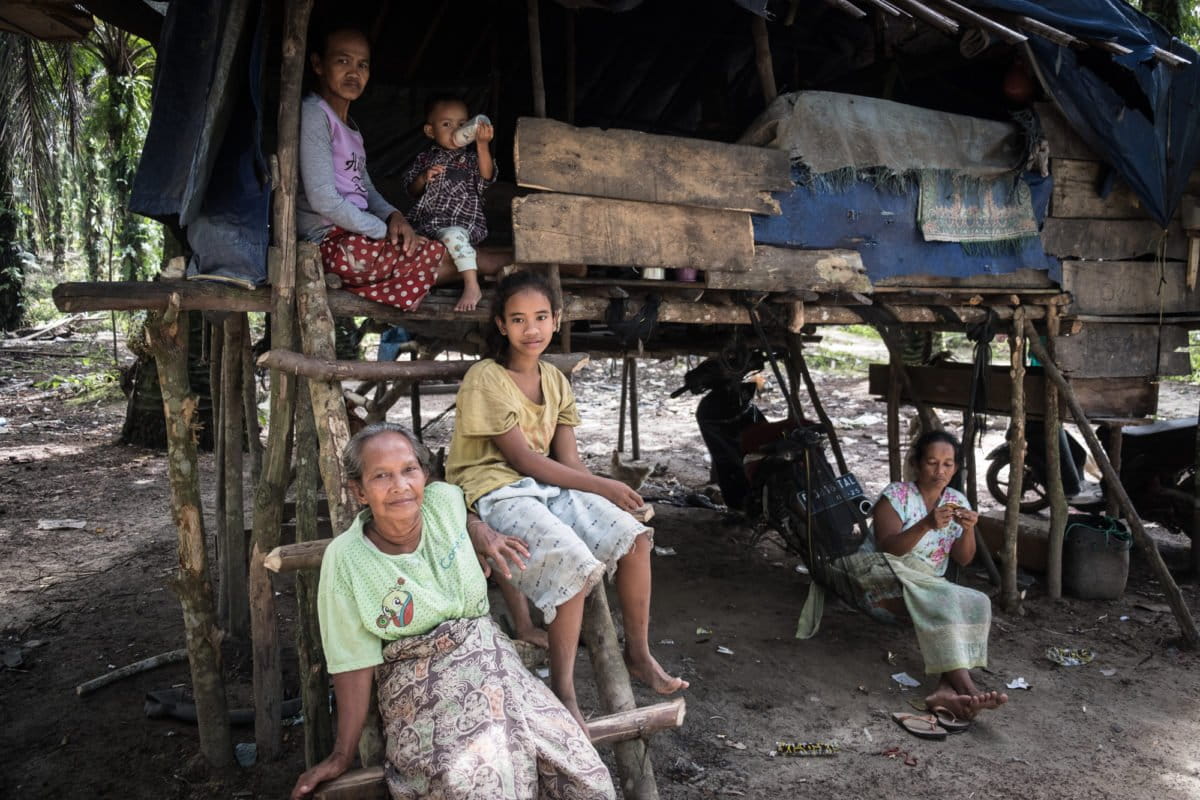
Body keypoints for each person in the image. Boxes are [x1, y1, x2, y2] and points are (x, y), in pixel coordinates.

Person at [290, 423, 615, 800]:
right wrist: (342, 753)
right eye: (381, 476)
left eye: (409, 470)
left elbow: (469, 518)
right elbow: (352, 662)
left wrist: (479, 531)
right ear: (359, 491)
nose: (400, 485)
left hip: (495, 662)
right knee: (482, 782)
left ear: (424, 475)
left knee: (586, 778)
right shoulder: (347, 559)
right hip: (420, 684)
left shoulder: (445, 501)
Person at [445, 271, 687, 729]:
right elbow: (523, 460)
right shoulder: (486, 378)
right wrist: (604, 485)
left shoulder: (555, 380)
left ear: (556, 320)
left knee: (635, 537)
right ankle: (564, 692)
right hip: (494, 490)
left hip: (547, 488)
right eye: (518, 319)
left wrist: (606, 494)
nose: (530, 329)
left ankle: (638, 653)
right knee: (573, 564)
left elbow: (567, 462)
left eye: (540, 317)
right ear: (500, 325)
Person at [298, 27, 503, 314]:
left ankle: (522, 265)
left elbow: (365, 188)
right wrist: (383, 231)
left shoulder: (351, 129)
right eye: (342, 61)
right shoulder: (314, 114)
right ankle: (517, 266)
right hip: (329, 242)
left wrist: (395, 217)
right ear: (318, 64)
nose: (354, 72)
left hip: (358, 233)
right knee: (445, 254)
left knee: (445, 251)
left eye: (363, 64)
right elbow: (322, 200)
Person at [871, 430, 1008, 721]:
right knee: (945, 599)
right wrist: (925, 525)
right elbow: (888, 548)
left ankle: (946, 691)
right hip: (891, 571)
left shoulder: (957, 500)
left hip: (930, 580)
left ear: (956, 468)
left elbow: (964, 558)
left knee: (978, 600)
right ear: (918, 464)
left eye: (947, 464)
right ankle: (969, 690)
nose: (939, 471)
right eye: (932, 462)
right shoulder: (896, 495)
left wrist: (969, 528)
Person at [402, 95, 496, 312]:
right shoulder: (424, 160)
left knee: (453, 236)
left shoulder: (471, 160)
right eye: (447, 124)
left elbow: (487, 177)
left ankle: (472, 286)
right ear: (430, 131)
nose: (455, 129)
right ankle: (418, 287)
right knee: (410, 247)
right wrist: (423, 178)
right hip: (427, 225)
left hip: (461, 224)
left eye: (462, 125)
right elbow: (411, 190)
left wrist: (482, 145)